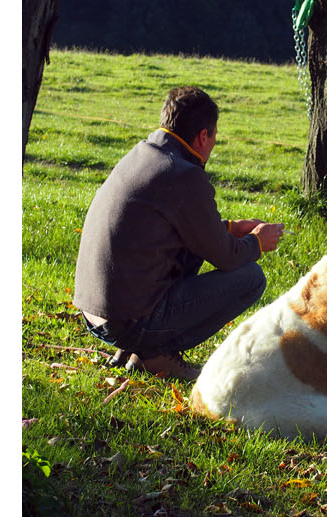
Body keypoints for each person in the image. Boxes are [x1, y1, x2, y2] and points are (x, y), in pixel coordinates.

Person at [74, 86, 284, 381]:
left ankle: (136, 349)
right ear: (202, 136)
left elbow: (176, 231)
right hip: (129, 322)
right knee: (251, 278)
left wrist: (229, 229)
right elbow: (226, 258)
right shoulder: (183, 173)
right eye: (213, 138)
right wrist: (256, 243)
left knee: (194, 251)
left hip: (94, 313)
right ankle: (155, 353)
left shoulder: (143, 154)